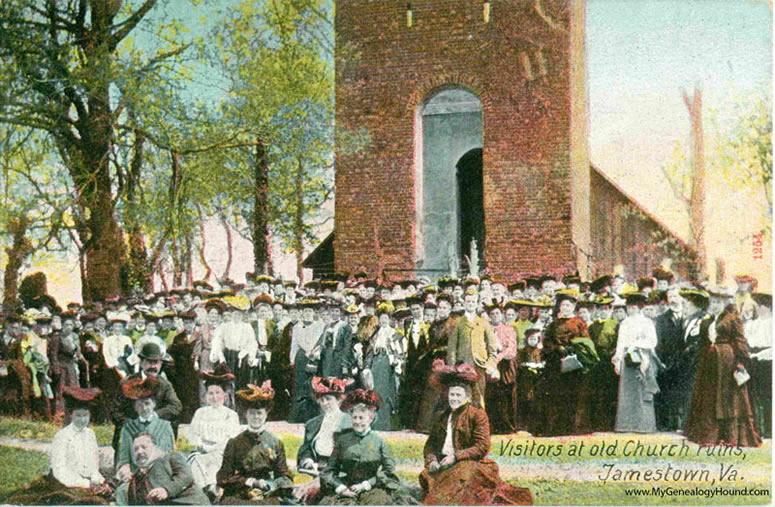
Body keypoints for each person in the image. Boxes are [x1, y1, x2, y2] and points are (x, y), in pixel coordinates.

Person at [419, 362, 533, 506]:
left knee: (455, 487)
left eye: (458, 395)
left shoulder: (477, 415)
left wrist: (456, 457)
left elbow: (482, 446)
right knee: (428, 477)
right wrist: (432, 460)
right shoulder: (442, 416)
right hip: (444, 464)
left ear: (467, 396)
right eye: (452, 394)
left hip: (471, 464)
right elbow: (431, 444)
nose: (454, 398)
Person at [2, 386, 111, 505]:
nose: (82, 420)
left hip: (87, 483)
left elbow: (92, 466)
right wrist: (85, 484)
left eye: (85, 416)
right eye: (78, 416)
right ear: (70, 415)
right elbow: (60, 471)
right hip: (64, 483)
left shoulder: (90, 434)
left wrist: (99, 480)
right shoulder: (62, 436)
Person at [684, 304, 762, 447]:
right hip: (710, 360)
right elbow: (704, 341)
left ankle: (730, 436)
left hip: (726, 361)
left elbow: (739, 340)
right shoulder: (708, 320)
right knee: (710, 396)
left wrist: (740, 361)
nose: (715, 303)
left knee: (728, 397)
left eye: (719, 299)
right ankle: (710, 435)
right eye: (713, 299)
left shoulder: (732, 317)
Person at [319, 389, 404, 505]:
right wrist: (341, 488)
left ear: (371, 419)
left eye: (361, 418)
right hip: (348, 486)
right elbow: (329, 471)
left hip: (373, 488)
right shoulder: (342, 440)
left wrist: (366, 485)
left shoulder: (379, 441)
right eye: (355, 417)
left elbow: (388, 471)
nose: (357, 422)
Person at [217, 381, 294, 504]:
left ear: (266, 415)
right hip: (239, 493)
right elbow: (223, 477)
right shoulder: (234, 443)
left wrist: (272, 485)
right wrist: (250, 482)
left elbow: (283, 474)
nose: (256, 417)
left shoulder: (275, 442)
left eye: (259, 413)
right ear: (245, 414)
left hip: (267, 493)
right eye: (252, 413)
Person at [534, 290, 595, 436]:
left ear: (573, 306)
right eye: (563, 305)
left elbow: (586, 342)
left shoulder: (580, 323)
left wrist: (573, 348)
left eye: (568, 305)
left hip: (574, 363)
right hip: (556, 362)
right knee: (556, 395)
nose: (566, 308)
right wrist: (557, 348)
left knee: (574, 395)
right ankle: (556, 427)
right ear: (559, 307)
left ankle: (574, 427)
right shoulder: (554, 324)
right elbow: (547, 341)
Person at [186, 365, 241, 501]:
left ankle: (213, 490)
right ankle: (201, 492)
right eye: (211, 393)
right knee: (197, 462)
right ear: (206, 396)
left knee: (216, 464)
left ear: (224, 395)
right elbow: (194, 434)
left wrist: (215, 449)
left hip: (221, 453)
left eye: (218, 393)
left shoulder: (230, 415)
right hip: (202, 452)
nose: (214, 397)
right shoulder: (200, 413)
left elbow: (231, 439)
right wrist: (201, 445)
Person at [294, 376, 353, 503]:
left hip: (338, 473)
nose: (325, 403)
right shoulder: (313, 424)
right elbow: (307, 448)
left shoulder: (349, 423)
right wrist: (307, 460)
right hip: (314, 470)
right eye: (322, 400)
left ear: (338, 400)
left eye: (329, 399)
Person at [612, 293, 659, 433]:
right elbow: (620, 342)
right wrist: (618, 359)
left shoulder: (647, 322)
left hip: (642, 356)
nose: (631, 310)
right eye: (629, 307)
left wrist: (637, 345)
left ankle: (644, 425)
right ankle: (626, 424)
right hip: (628, 358)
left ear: (639, 308)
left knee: (642, 389)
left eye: (634, 307)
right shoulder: (625, 323)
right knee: (627, 390)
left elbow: (652, 341)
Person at [119, 432, 210, 505]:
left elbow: (186, 476)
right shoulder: (136, 477)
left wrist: (166, 490)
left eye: (144, 447)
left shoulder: (171, 457)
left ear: (155, 447)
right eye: (135, 449)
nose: (139, 451)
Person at [115, 376, 176, 481]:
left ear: (154, 405)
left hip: (160, 474)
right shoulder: (128, 428)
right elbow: (124, 457)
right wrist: (125, 468)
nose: (144, 408)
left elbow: (168, 453)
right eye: (140, 405)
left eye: (147, 403)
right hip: (136, 475)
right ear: (135, 408)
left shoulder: (165, 426)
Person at [446, 289, 498, 409]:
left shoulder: (484, 323)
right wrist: (452, 366)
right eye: (468, 301)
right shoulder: (458, 323)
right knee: (462, 395)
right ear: (464, 303)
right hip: (462, 365)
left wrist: (491, 364)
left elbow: (492, 347)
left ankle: (479, 423)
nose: (470, 303)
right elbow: (452, 347)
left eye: (473, 301)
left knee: (478, 397)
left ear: (477, 303)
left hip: (479, 364)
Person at [362, 301, 403, 430]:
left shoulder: (395, 334)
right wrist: (367, 367)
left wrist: (397, 362)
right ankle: (374, 423)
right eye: (381, 318)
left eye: (386, 318)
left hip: (387, 365)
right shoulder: (374, 334)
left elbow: (400, 351)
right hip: (376, 364)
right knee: (374, 392)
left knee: (386, 393)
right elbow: (369, 352)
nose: (383, 321)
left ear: (390, 320)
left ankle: (385, 424)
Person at [289, 298, 325, 423]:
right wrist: (292, 359)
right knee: (300, 385)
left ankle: (312, 416)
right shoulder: (297, 327)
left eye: (310, 311)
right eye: (305, 311)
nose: (308, 313)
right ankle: (298, 416)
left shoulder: (319, 326)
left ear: (313, 312)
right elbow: (295, 344)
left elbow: (321, 343)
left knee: (312, 385)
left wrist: (315, 352)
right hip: (302, 357)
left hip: (314, 357)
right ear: (302, 313)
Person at [485, 303, 518, 434]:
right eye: (492, 314)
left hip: (505, 365)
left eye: (497, 314)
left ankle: (508, 426)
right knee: (491, 395)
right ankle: (492, 426)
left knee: (506, 395)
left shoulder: (508, 330)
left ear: (502, 315)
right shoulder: (486, 329)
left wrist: (499, 356)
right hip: (490, 364)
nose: (495, 316)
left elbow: (511, 348)